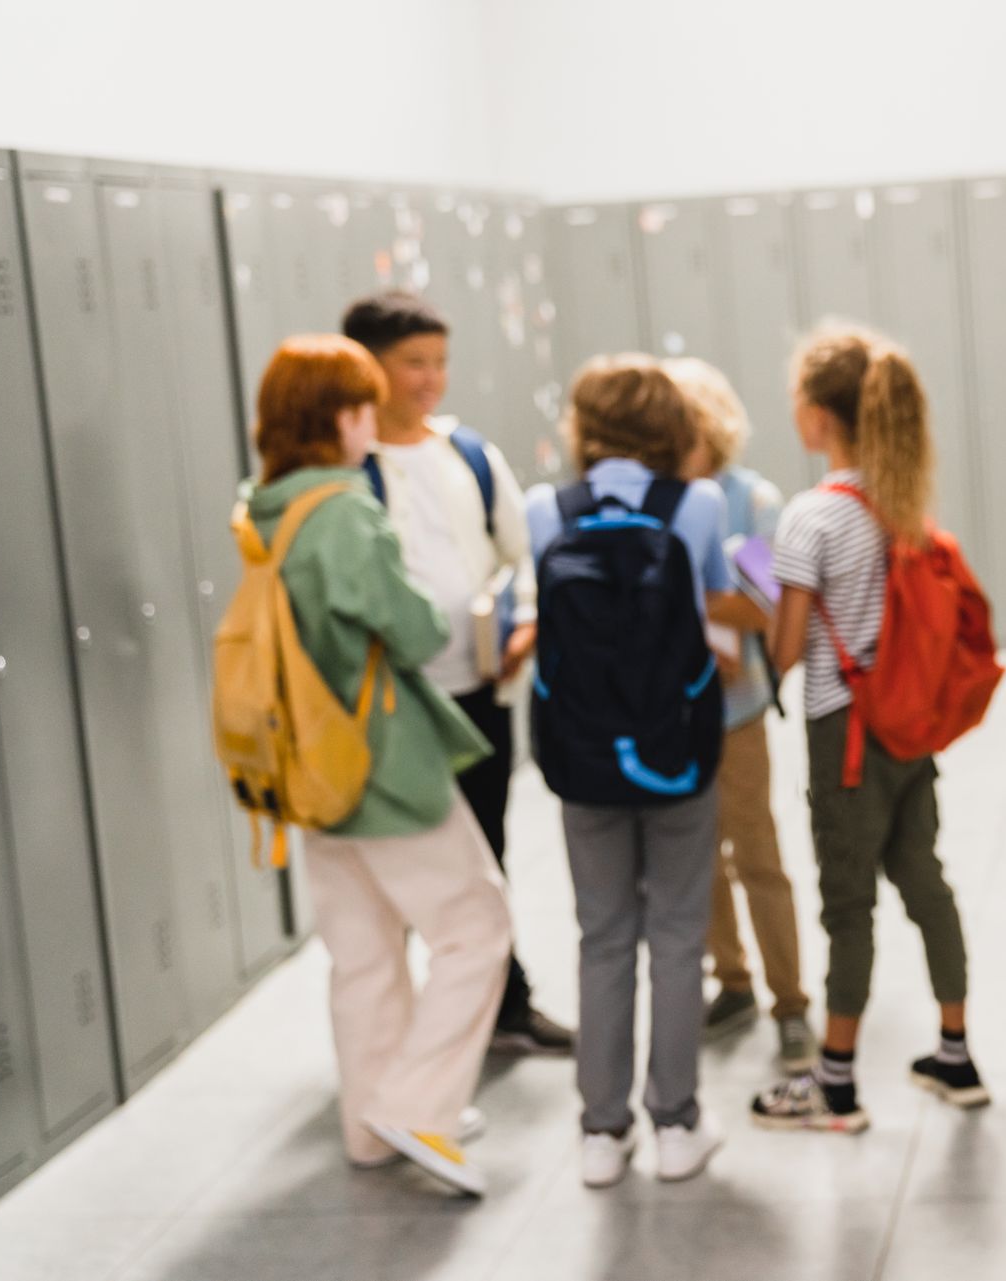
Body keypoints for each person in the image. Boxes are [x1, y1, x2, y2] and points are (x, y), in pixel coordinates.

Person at [243, 335, 511, 1198]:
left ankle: (369, 1125)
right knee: (477, 924)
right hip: (381, 760)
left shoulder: (265, 508)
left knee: (362, 954)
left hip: (306, 766)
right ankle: (419, 1104)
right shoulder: (346, 511)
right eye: (363, 404)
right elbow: (416, 627)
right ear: (339, 416)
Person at [749, 324, 986, 1135]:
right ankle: (956, 1052)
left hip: (842, 731)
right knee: (924, 879)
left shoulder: (810, 517)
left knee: (847, 906)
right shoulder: (902, 506)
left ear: (818, 417)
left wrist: (754, 613)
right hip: (908, 727)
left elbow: (785, 650)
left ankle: (836, 1084)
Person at [339, 291, 573, 1057]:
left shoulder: (466, 453)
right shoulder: (345, 469)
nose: (431, 379)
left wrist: (529, 620)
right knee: (397, 873)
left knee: (486, 857)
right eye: (414, 363)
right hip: (389, 707)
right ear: (366, 365)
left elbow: (520, 553)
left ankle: (505, 1006)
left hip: (474, 694)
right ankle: (411, 1030)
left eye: (440, 362)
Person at [526, 355, 737, 1187]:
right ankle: (677, 1123)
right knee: (680, 934)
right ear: (669, 425)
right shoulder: (700, 503)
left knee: (602, 936)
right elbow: (715, 594)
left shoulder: (548, 508)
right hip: (677, 749)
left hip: (582, 754)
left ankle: (600, 1133)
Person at [666, 356, 817, 1073]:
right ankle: (731, 981)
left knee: (757, 855)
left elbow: (766, 607)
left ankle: (790, 1003)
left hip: (736, 713)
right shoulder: (653, 501)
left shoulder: (750, 501)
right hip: (670, 709)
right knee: (697, 859)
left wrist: (686, 602)